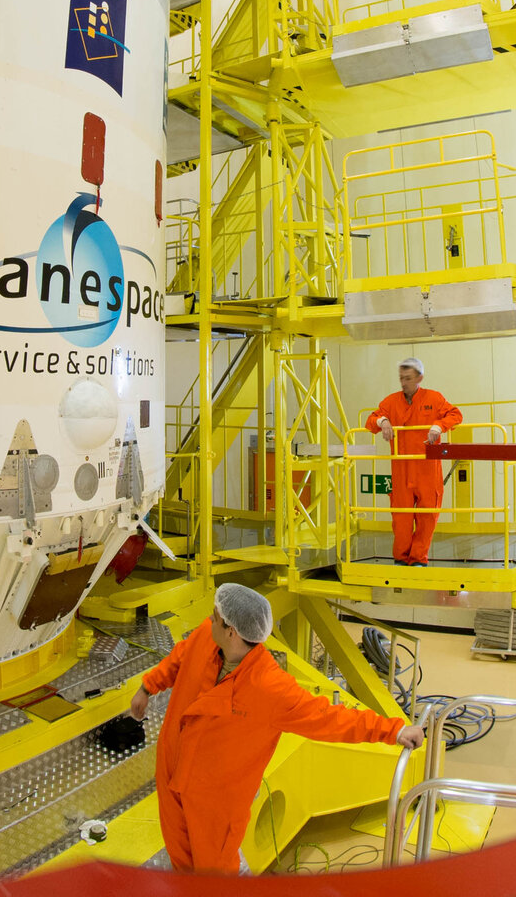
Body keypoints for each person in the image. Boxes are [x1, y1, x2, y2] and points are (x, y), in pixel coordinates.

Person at [128, 583, 425, 873]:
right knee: (181, 861)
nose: (209, 620)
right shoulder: (207, 636)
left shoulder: (270, 688)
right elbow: (179, 657)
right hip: (171, 773)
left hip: (216, 806)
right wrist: (148, 686)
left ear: (231, 631)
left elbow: (330, 718)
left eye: (215, 616)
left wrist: (394, 731)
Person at [363, 357, 462, 565]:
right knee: (401, 518)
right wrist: (383, 421)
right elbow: (370, 422)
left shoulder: (434, 399)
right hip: (401, 469)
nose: (403, 382)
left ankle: (418, 558)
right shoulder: (391, 402)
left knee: (427, 517)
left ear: (419, 377)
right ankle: (401, 558)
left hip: (427, 469)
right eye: (401, 378)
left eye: (408, 378)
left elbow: (456, 415)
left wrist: (438, 426)